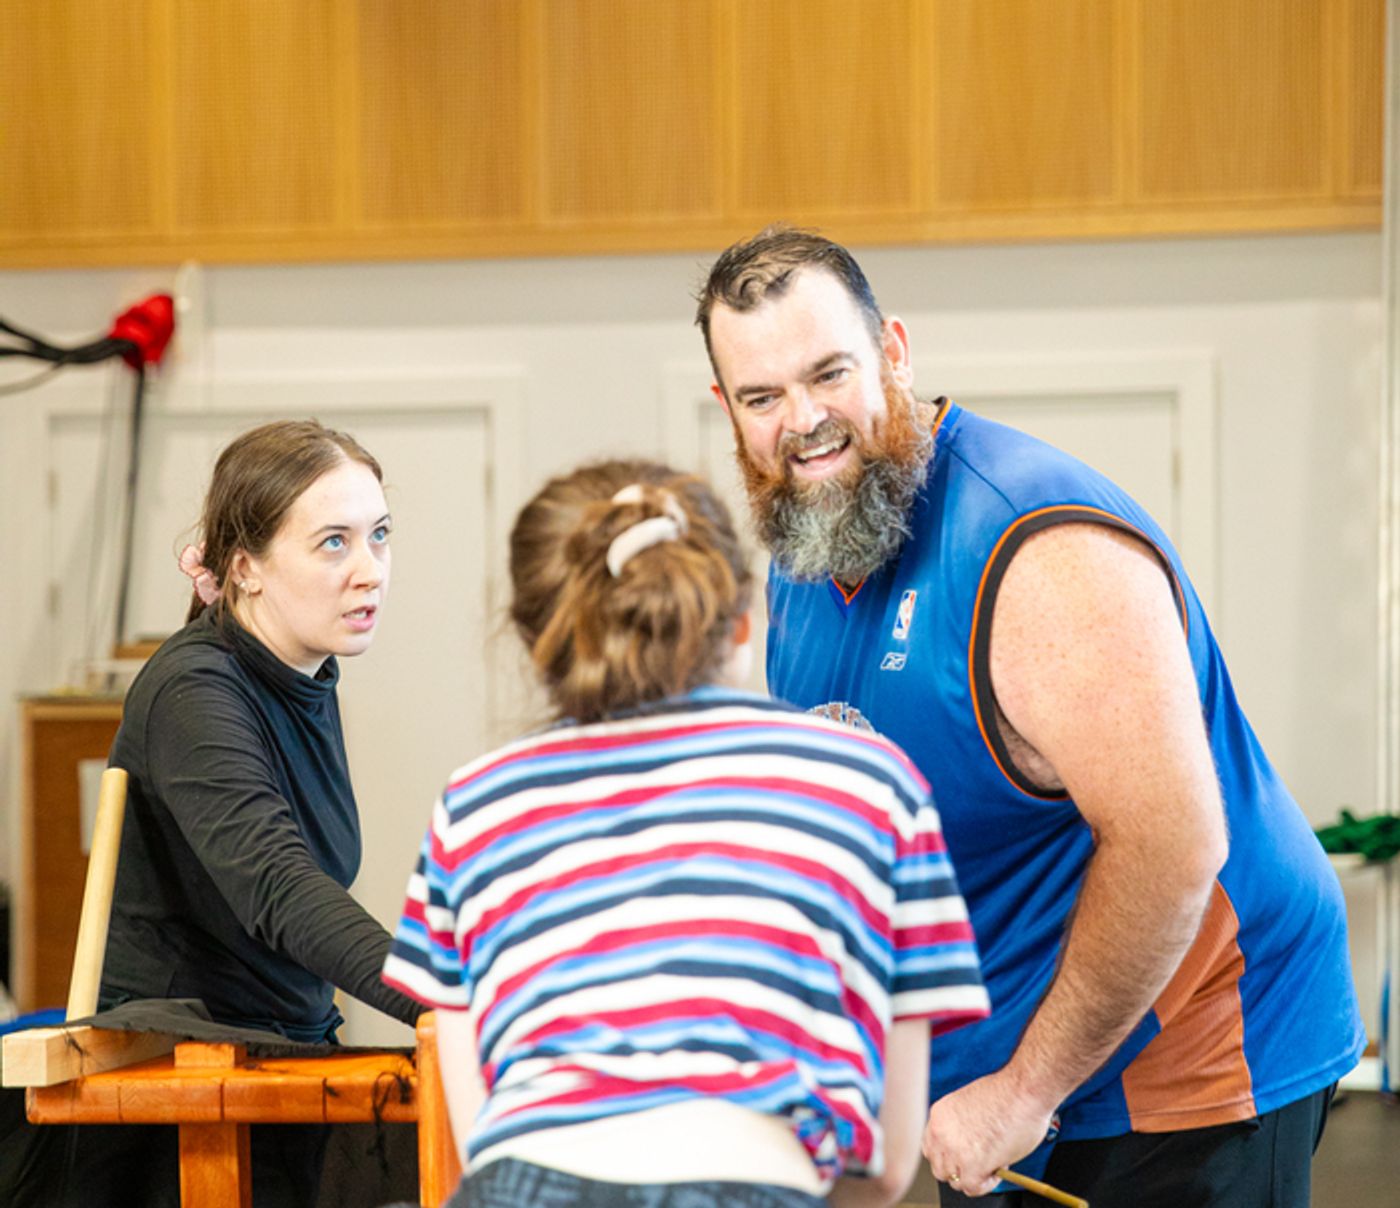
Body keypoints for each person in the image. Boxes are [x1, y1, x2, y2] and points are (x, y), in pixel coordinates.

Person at [694, 226, 1365, 1207]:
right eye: (761, 396)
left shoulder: (1034, 552)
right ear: (727, 408)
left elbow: (1172, 846)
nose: (802, 420)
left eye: (827, 372)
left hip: (1198, 1046)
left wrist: (1023, 1088)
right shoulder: (803, 550)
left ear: (891, 352)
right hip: (1005, 1063)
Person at [382, 459, 990, 1208]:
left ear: (539, 640)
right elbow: (889, 1167)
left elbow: (481, 1135)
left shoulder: (473, 805)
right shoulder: (874, 785)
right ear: (742, 621)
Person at [84, 419, 422, 1206]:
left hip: (270, 1066)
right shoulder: (195, 689)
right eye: (333, 543)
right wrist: (446, 992)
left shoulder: (302, 671)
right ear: (246, 569)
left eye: (379, 535)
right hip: (179, 1095)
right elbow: (279, 886)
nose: (370, 571)